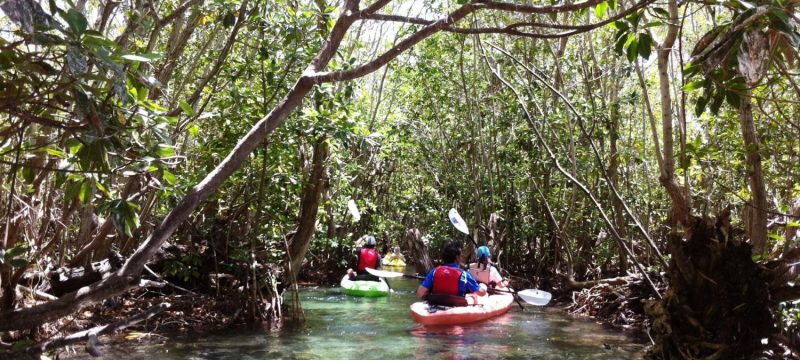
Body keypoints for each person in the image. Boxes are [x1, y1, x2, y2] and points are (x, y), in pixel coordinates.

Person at [416, 241, 486, 306]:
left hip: (436, 303)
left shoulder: (434, 271)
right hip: (456, 306)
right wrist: (483, 288)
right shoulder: (464, 274)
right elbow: (481, 293)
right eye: (460, 256)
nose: (461, 258)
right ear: (457, 258)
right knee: (474, 296)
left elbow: (420, 293)